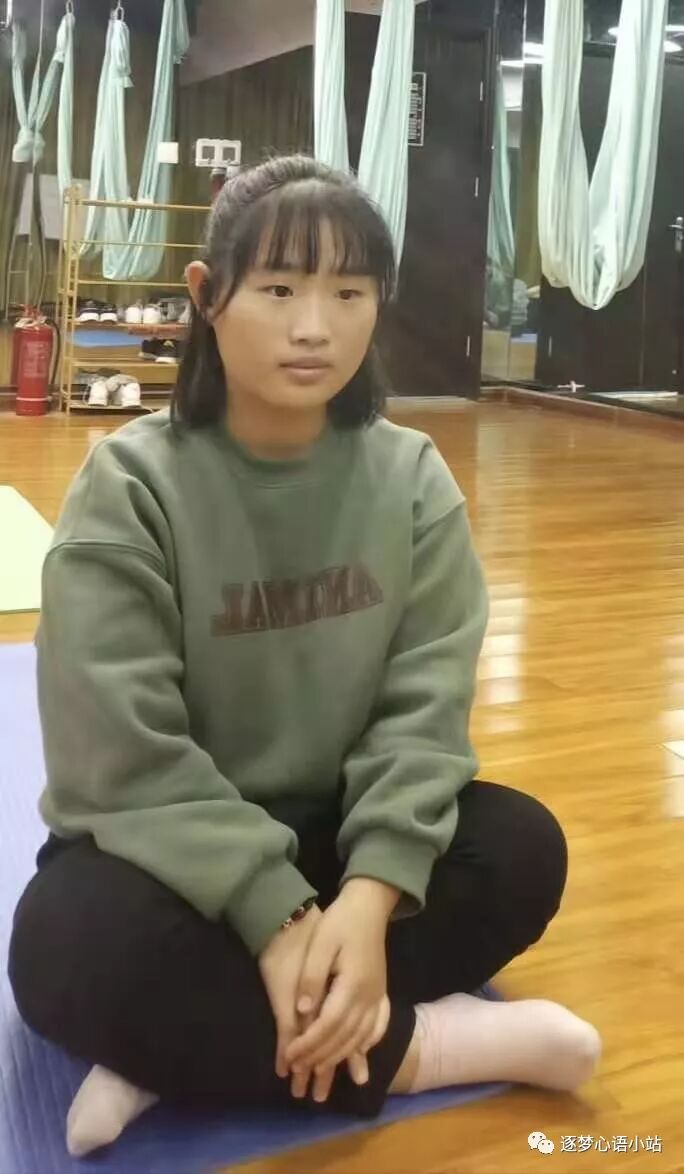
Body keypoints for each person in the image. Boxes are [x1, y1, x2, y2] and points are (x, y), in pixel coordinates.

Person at [8, 155, 601, 1159]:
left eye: (349, 293)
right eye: (279, 289)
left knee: (522, 848)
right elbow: (121, 752)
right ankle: (430, 1044)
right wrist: (275, 917)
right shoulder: (131, 486)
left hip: (339, 835)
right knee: (66, 947)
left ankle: (188, 1045)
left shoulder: (410, 478)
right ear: (207, 295)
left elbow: (424, 710)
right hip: (171, 861)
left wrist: (367, 899)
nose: (315, 326)